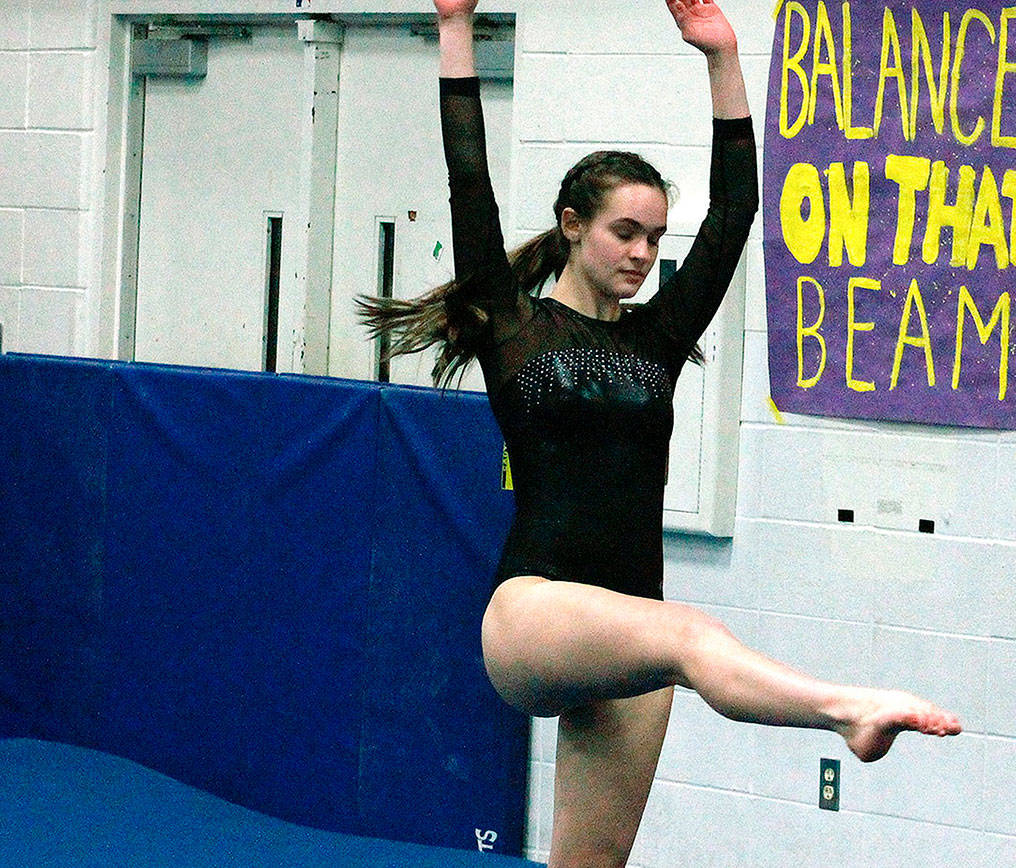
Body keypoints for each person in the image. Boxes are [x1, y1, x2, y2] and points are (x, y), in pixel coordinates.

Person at [359, 2, 962, 865]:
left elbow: (735, 213)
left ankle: (834, 707)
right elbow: (469, 180)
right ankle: (845, 710)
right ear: (573, 224)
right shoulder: (515, 326)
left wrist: (721, 54)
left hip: (627, 625)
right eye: (624, 231)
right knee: (688, 637)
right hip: (534, 615)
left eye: (653, 237)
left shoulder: (656, 340)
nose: (643, 253)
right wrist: (457, 26)